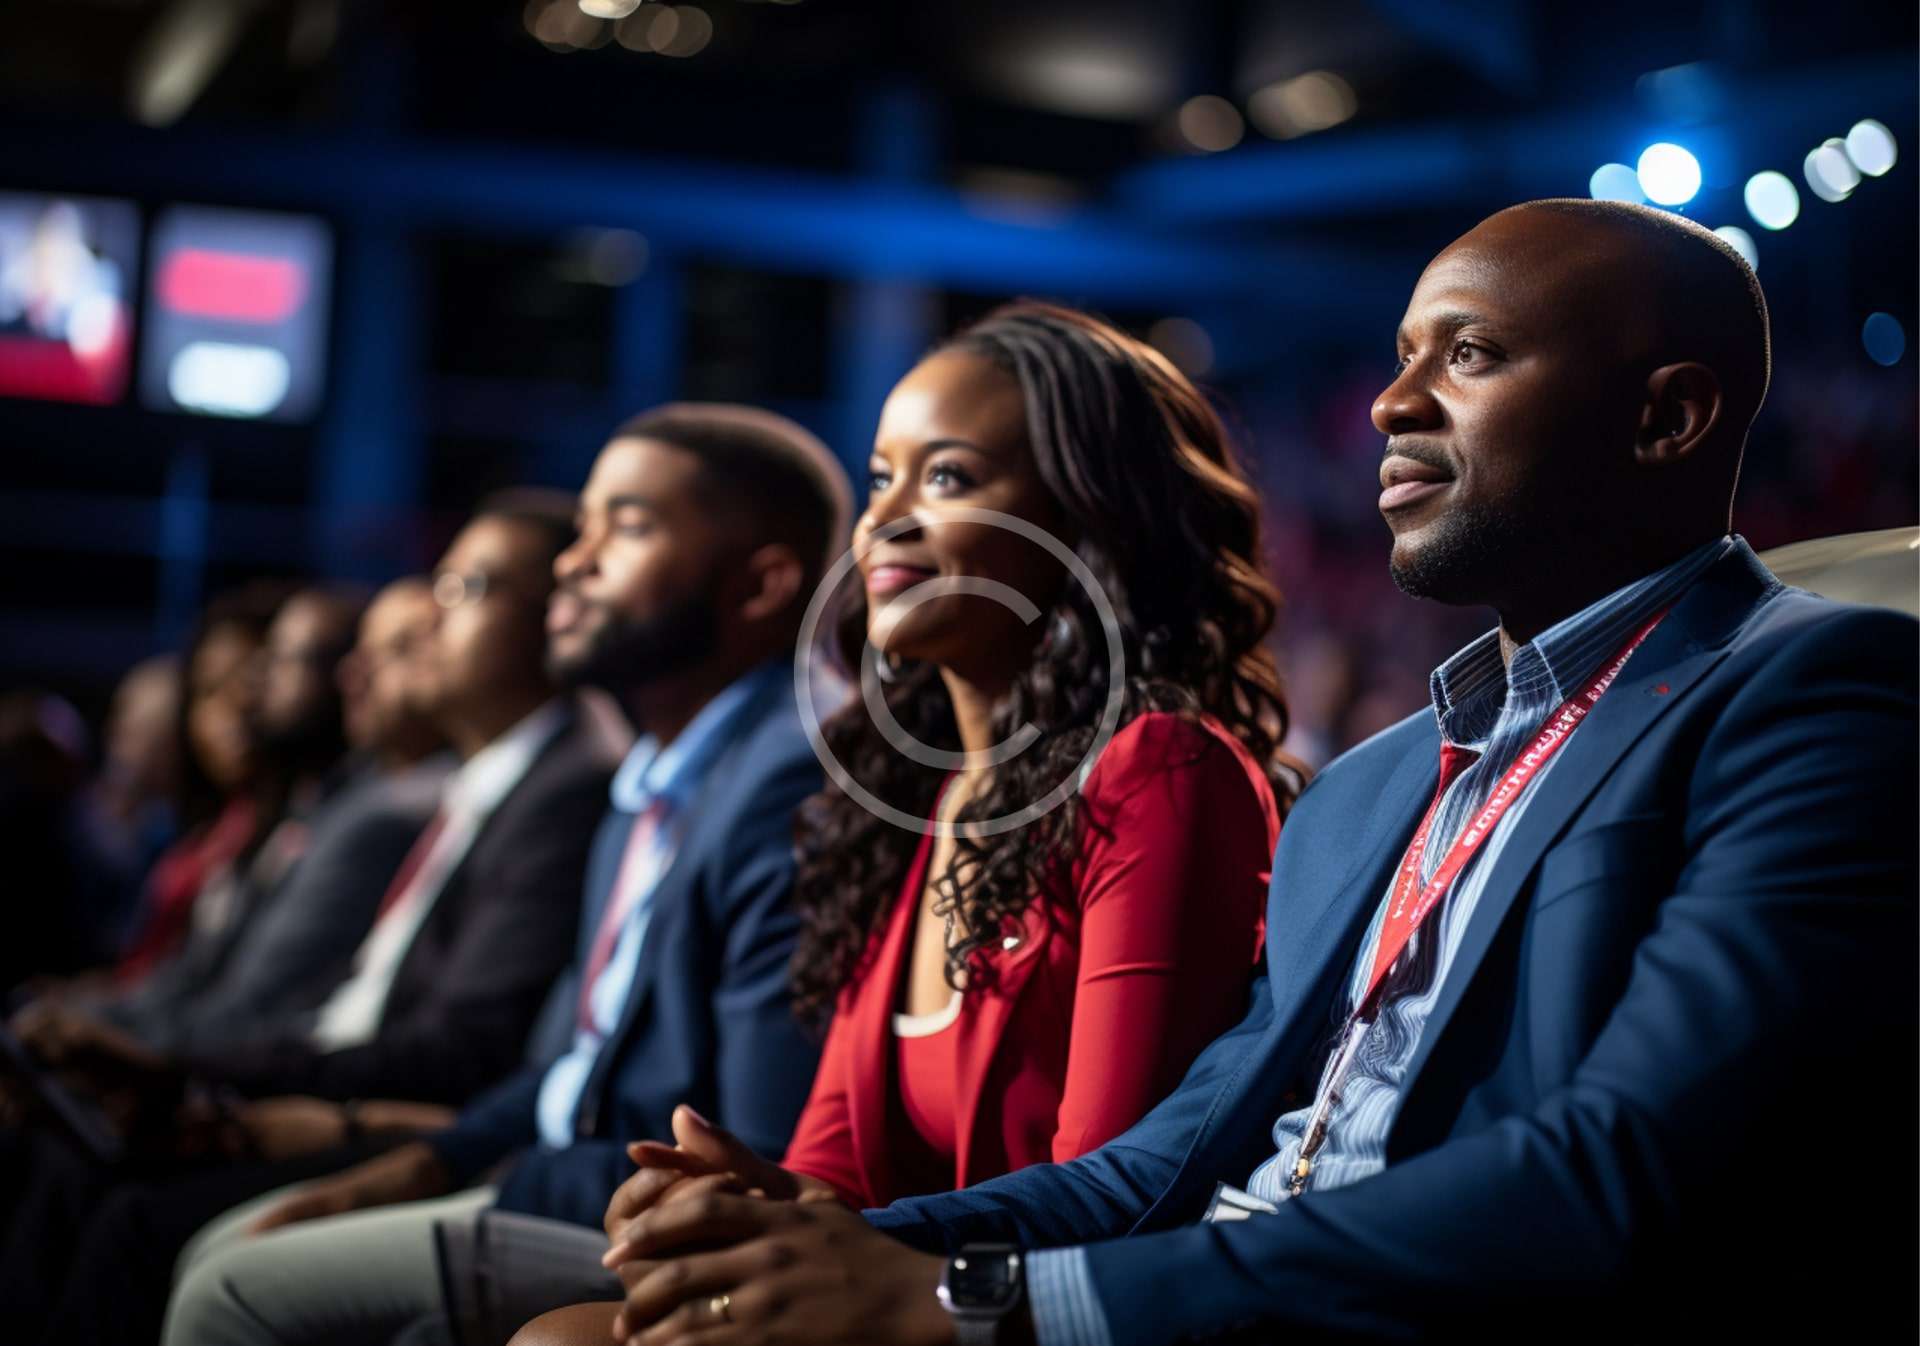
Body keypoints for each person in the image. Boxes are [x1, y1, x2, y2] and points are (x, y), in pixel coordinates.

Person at [531, 200, 1915, 1346]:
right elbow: (1170, 1157)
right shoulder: (1374, 785)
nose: (1391, 403)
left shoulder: (1817, 690)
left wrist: (978, 1304)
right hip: (1212, 1276)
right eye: (1401, 357)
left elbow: (1623, 1165)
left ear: (1669, 418)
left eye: (1471, 354)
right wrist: (842, 1237)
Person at [161, 403, 852, 1346]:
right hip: (573, 1180)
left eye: (627, 528)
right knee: (226, 1247)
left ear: (762, 585)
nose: (572, 562)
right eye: (582, 529)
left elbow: (757, 1148)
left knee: (233, 1290)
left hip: (661, 1223)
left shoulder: (792, 775)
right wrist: (419, 1161)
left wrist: (478, 1170)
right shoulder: (654, 779)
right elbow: (575, 1067)